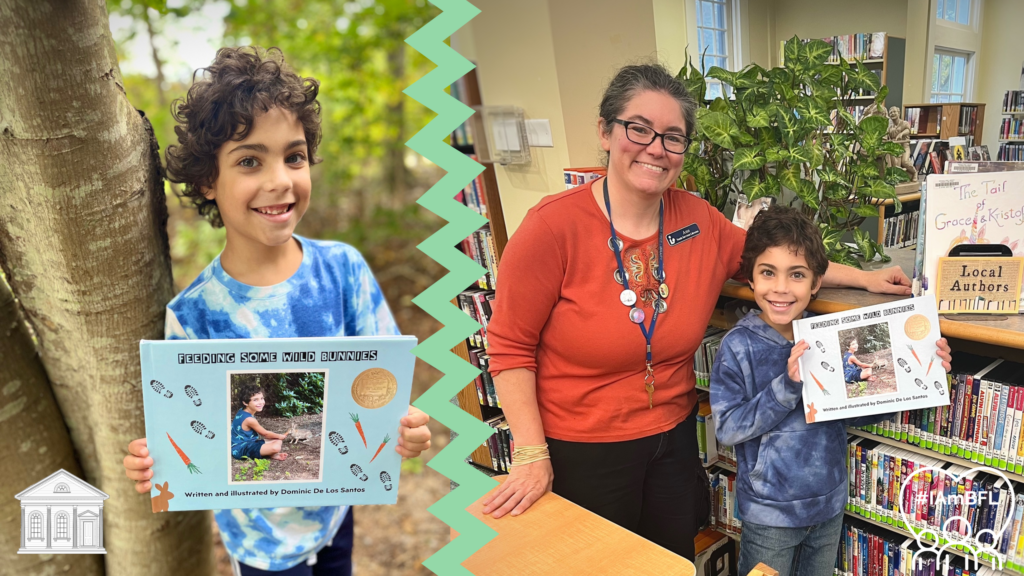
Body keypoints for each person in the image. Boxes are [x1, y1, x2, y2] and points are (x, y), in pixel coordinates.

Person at [480, 62, 915, 560]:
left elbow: (777, 257)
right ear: (605, 131)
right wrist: (531, 455)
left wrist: (863, 278)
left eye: (672, 137)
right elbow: (510, 347)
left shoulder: (699, 220)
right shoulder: (550, 228)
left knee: (670, 561)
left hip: (673, 437)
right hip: (584, 446)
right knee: (598, 565)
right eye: (638, 128)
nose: (655, 148)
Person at [120, 47, 431, 575]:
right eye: (248, 160)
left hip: (337, 514)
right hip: (261, 546)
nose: (280, 180)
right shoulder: (193, 317)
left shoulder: (343, 270)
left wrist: (405, 430)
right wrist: (158, 462)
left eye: (294, 156)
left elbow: (383, 389)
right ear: (206, 181)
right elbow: (191, 437)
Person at [709, 206, 952, 576]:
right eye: (767, 273)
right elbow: (727, 429)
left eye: (797, 275)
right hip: (770, 514)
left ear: (815, 283)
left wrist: (926, 372)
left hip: (828, 506)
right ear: (751, 279)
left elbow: (852, 410)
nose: (780, 288)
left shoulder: (827, 337)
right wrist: (787, 386)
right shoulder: (737, 347)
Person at [231, 384, 289, 461]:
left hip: (250, 443)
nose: (261, 402)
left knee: (277, 440)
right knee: (276, 447)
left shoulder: (242, 410)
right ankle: (271, 454)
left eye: (262, 398)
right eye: (255, 400)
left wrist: (277, 438)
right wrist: (280, 436)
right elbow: (265, 434)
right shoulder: (249, 419)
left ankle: (269, 453)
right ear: (245, 402)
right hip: (240, 449)